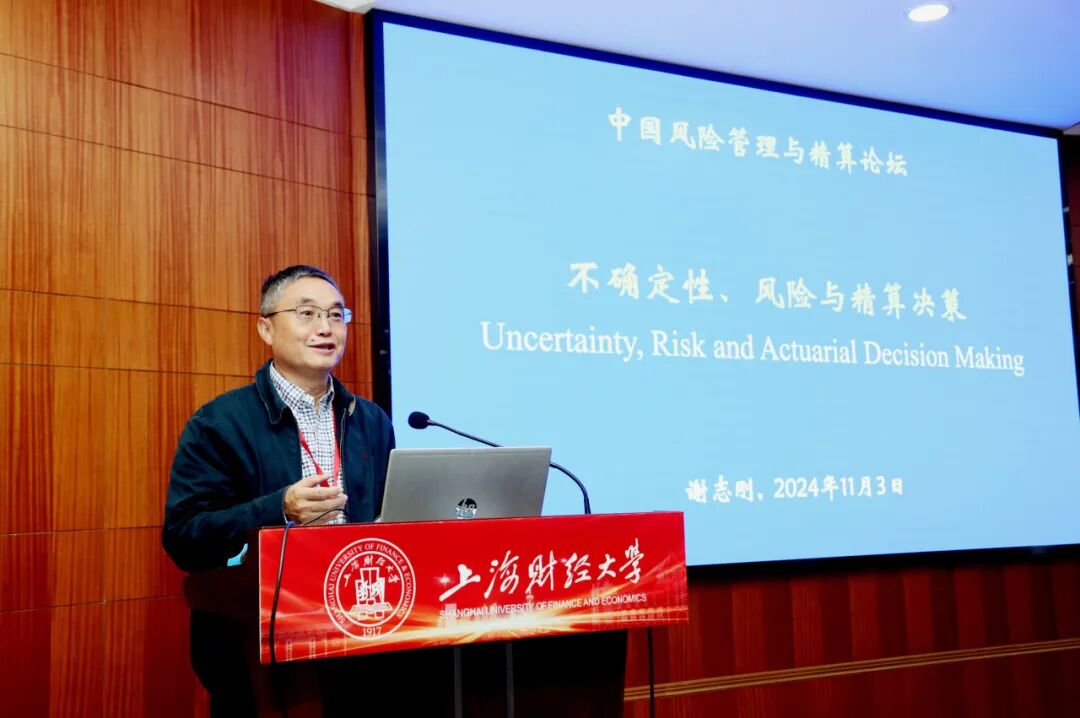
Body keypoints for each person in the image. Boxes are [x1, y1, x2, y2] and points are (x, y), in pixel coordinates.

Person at [162, 264, 395, 715]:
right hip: (261, 650)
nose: (325, 328)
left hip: (362, 636)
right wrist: (279, 508)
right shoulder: (219, 423)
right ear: (266, 328)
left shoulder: (370, 419)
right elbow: (184, 537)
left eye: (336, 314)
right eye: (307, 313)